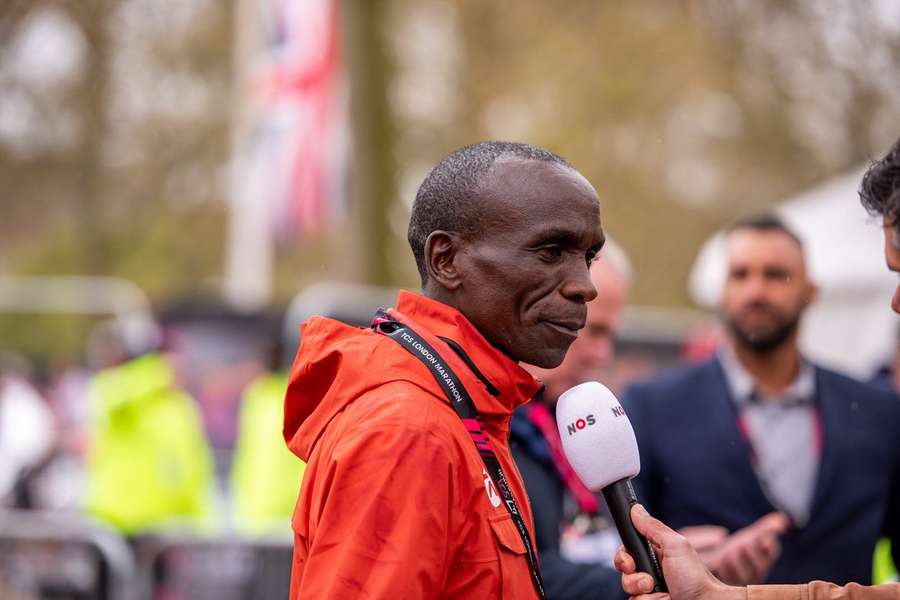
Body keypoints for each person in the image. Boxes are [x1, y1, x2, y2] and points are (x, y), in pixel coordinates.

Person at [282, 141, 605, 598]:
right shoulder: (411, 431)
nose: (585, 286)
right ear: (446, 260)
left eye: (588, 256)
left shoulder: (468, 407)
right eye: (552, 251)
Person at [614, 136, 900, 600]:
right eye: (740, 274)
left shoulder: (880, 410)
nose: (756, 291)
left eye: (776, 274)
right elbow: (629, 556)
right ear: (720, 293)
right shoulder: (651, 406)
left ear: (811, 292)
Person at [511, 241, 630, 600]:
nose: (603, 354)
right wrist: (644, 582)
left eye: (611, 334)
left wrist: (677, 557)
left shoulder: (584, 417)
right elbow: (516, 574)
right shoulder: (485, 427)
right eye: (592, 330)